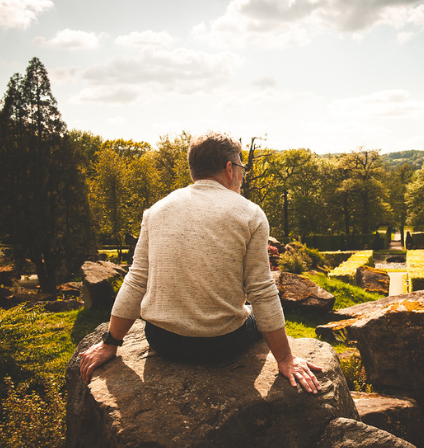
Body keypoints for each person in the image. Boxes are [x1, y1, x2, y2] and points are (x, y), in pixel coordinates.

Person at [78, 132, 322, 394]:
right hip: (221, 345)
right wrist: (285, 359)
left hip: (162, 341)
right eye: (242, 167)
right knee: (250, 311)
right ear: (230, 169)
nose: (242, 175)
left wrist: (110, 343)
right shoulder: (250, 213)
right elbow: (261, 290)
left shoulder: (156, 210)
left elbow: (137, 279)